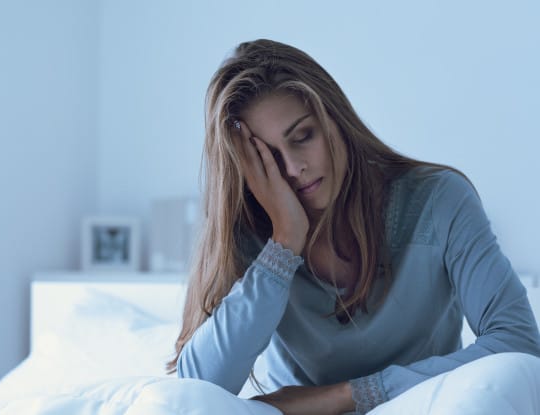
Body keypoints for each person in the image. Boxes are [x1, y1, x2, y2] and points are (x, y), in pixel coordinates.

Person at [167, 39, 540, 414]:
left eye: (303, 137)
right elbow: (197, 389)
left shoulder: (439, 200)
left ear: (336, 119)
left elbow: (519, 342)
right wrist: (283, 244)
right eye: (268, 159)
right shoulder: (252, 236)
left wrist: (352, 395)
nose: (294, 168)